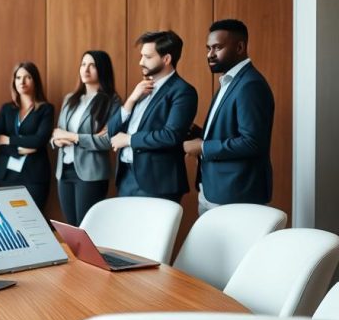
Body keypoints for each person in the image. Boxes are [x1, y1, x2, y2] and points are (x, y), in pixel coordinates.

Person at [183, 19, 274, 214]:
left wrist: (202, 147)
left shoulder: (251, 85)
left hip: (236, 195)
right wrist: (198, 132)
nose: (210, 55)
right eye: (208, 48)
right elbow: (231, 132)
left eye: (217, 48)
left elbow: (252, 142)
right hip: (213, 190)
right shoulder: (229, 81)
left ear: (240, 47)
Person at [108, 30, 198, 203]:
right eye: (141, 56)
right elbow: (112, 131)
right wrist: (131, 100)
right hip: (127, 176)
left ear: (166, 59)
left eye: (147, 57)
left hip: (157, 182)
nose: (140, 62)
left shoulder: (183, 91)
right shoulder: (142, 89)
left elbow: (171, 136)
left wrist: (129, 140)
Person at [51, 51, 120, 225]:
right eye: (83, 64)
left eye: (92, 65)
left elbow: (106, 141)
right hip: (64, 171)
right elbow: (57, 132)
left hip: (91, 173)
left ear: (102, 69)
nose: (85, 69)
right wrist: (56, 139)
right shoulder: (70, 98)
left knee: (86, 229)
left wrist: (73, 137)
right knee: (70, 227)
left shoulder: (112, 101)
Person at [0, 62, 54, 208]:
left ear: (35, 81)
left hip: (34, 176)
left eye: (27, 77)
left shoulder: (46, 109)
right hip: (7, 174)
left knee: (32, 222)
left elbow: (39, 140)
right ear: (14, 81)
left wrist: (9, 139)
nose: (22, 81)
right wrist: (21, 149)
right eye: (18, 77)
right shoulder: (7, 109)